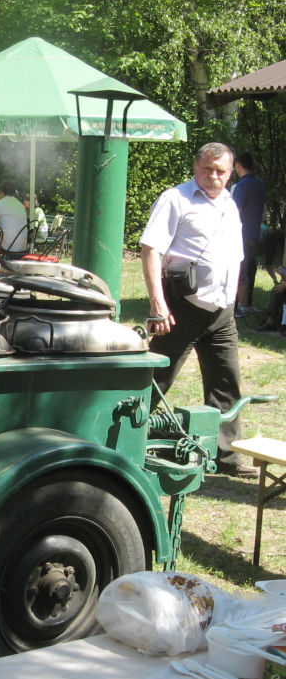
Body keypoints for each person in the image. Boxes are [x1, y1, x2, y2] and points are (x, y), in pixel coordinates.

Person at [141, 141, 256, 478]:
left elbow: (233, 255)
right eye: (207, 169)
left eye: (221, 171)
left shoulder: (230, 203)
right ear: (196, 167)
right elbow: (151, 250)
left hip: (221, 311)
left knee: (226, 382)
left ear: (231, 171)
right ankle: (119, 438)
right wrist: (157, 303)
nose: (213, 176)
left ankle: (227, 457)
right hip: (181, 308)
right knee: (159, 378)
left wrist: (233, 298)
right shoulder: (175, 199)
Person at [231, 152, 266, 317]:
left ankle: (243, 307)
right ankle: (248, 303)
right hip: (256, 233)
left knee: (240, 271)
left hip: (242, 234)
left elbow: (235, 212)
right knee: (250, 269)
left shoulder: (242, 186)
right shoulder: (260, 183)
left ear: (238, 164)